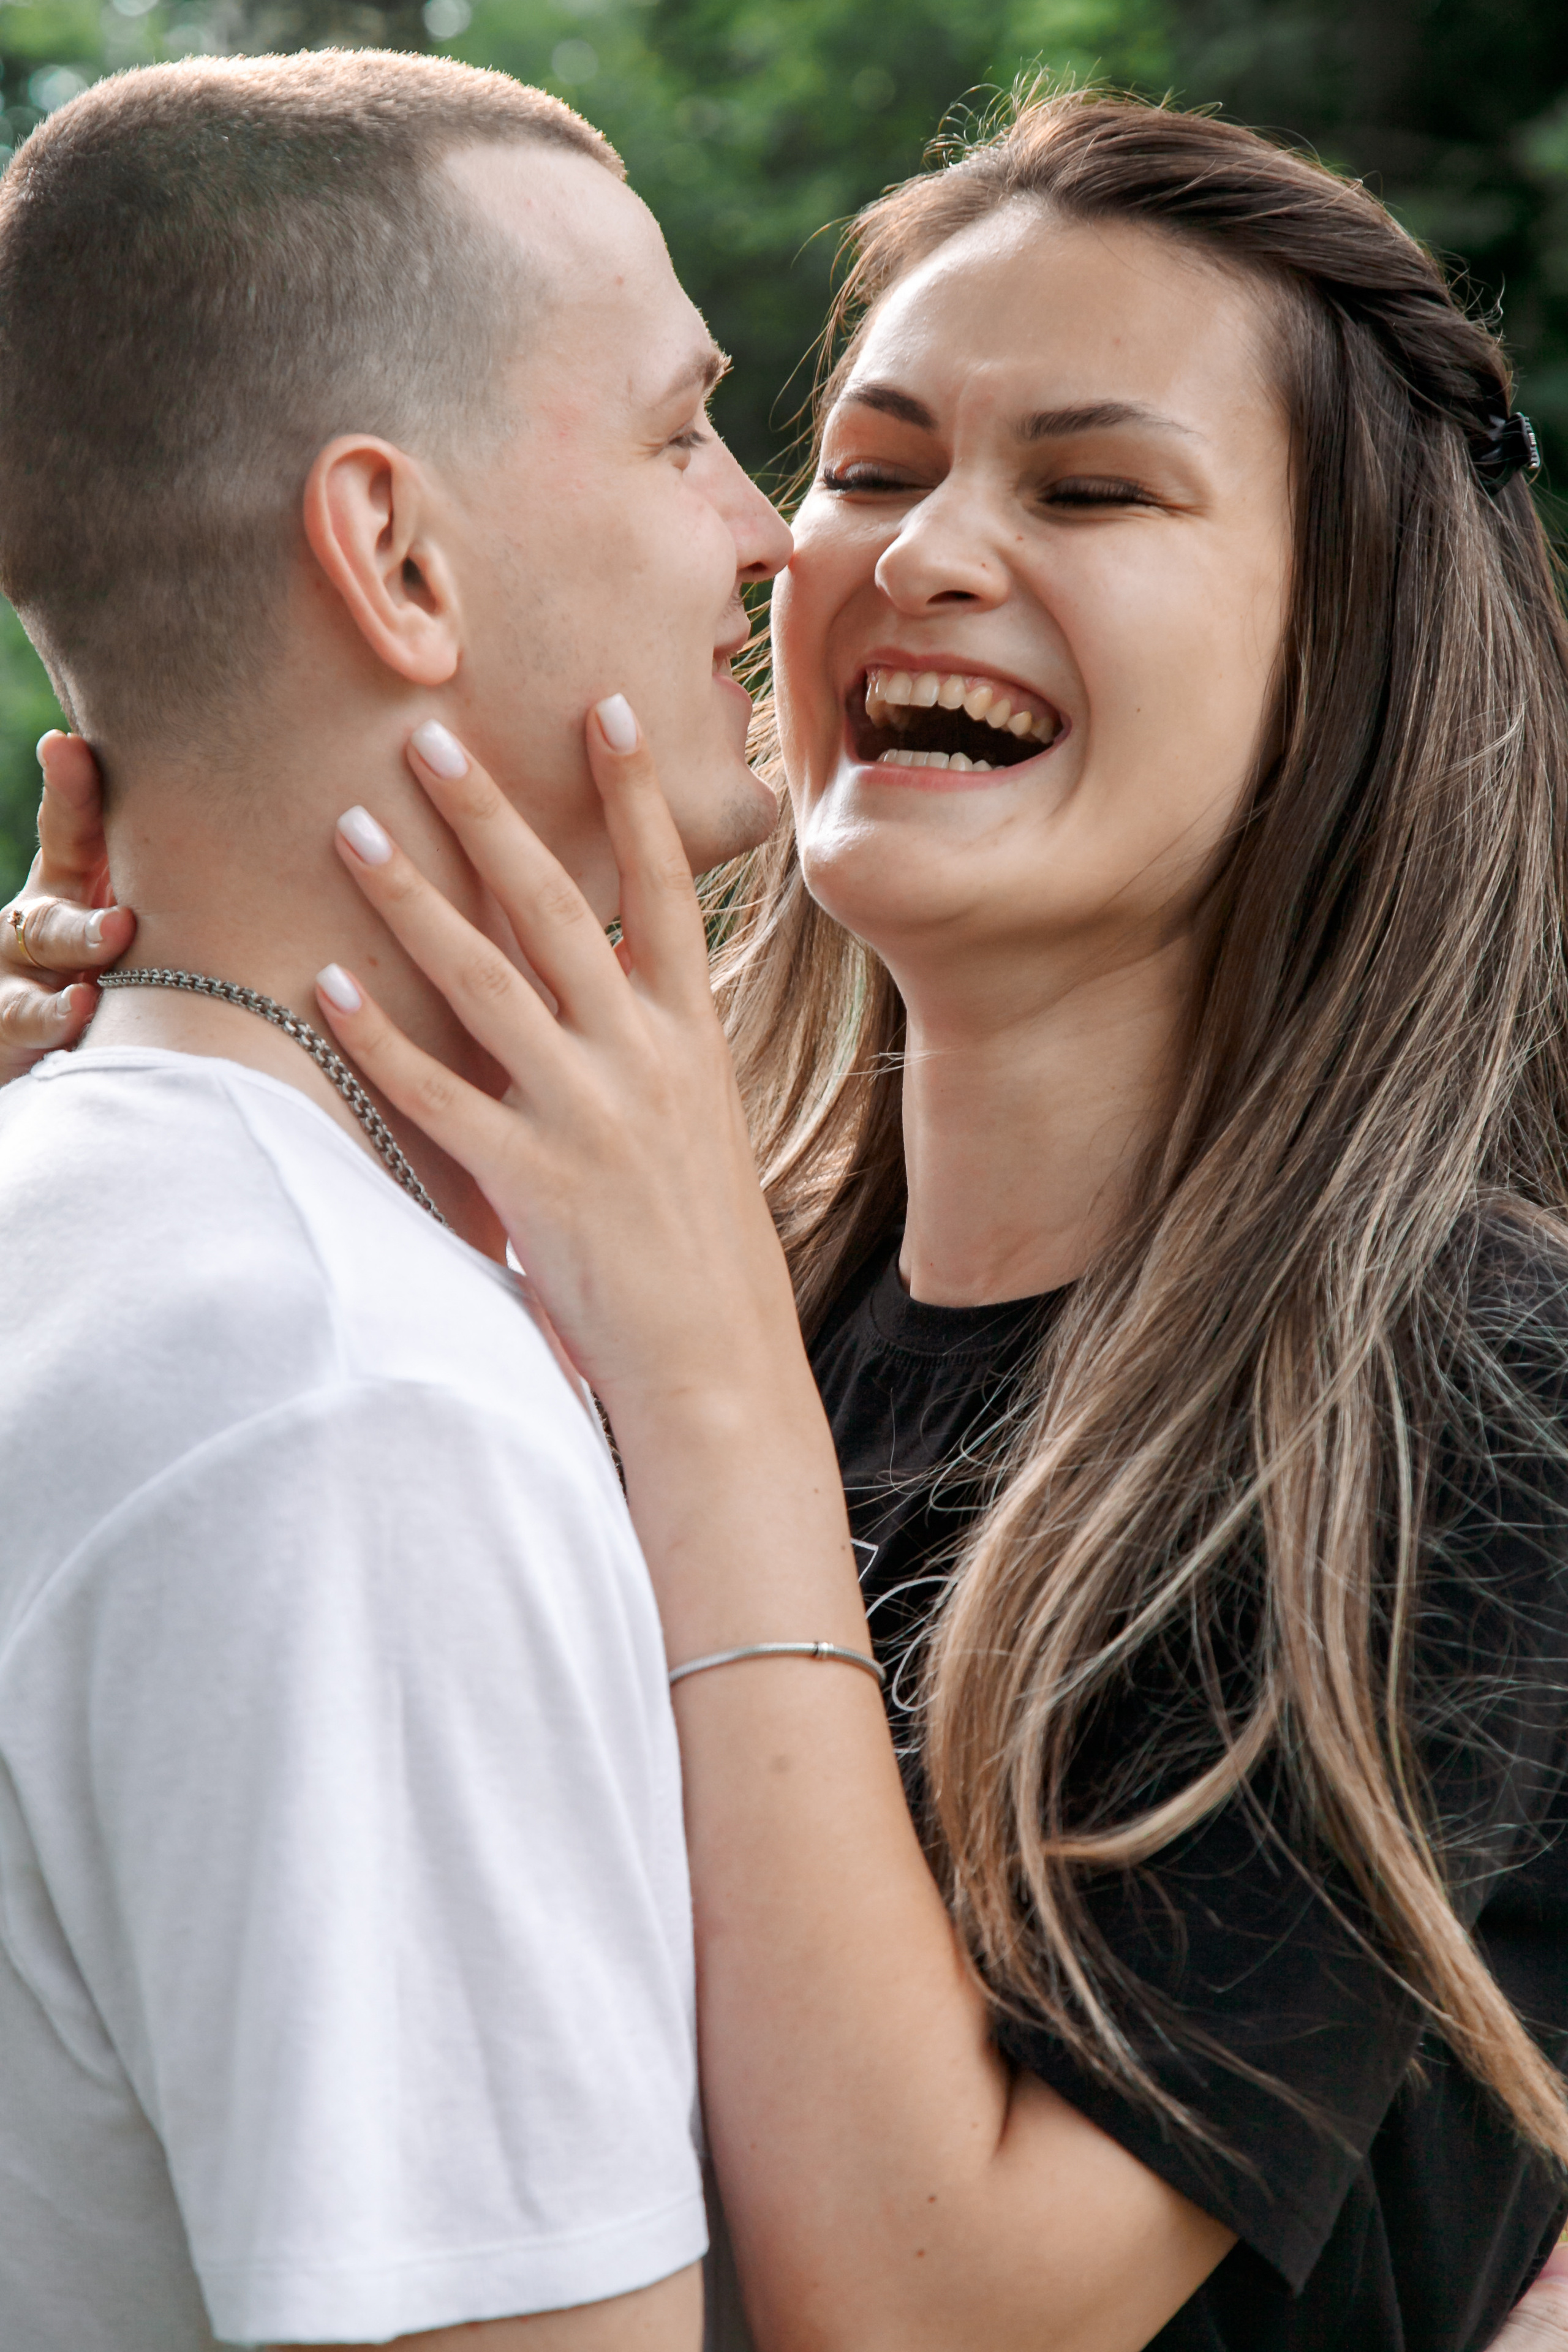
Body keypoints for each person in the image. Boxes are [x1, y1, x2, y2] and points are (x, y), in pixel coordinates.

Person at [9, 72, 1568, 2352]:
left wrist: (711, 1376)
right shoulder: (575, 1283)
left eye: (1098, 486)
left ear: (1343, 657)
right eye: (871, 465)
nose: (902, 552)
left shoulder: (1468, 1397)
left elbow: (943, 2314)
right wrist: (166, 1058)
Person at [0, 49, 790, 2352]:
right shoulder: (344, 1414)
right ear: (399, 556)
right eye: (677, 435)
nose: (766, 534)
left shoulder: (104, 1227)